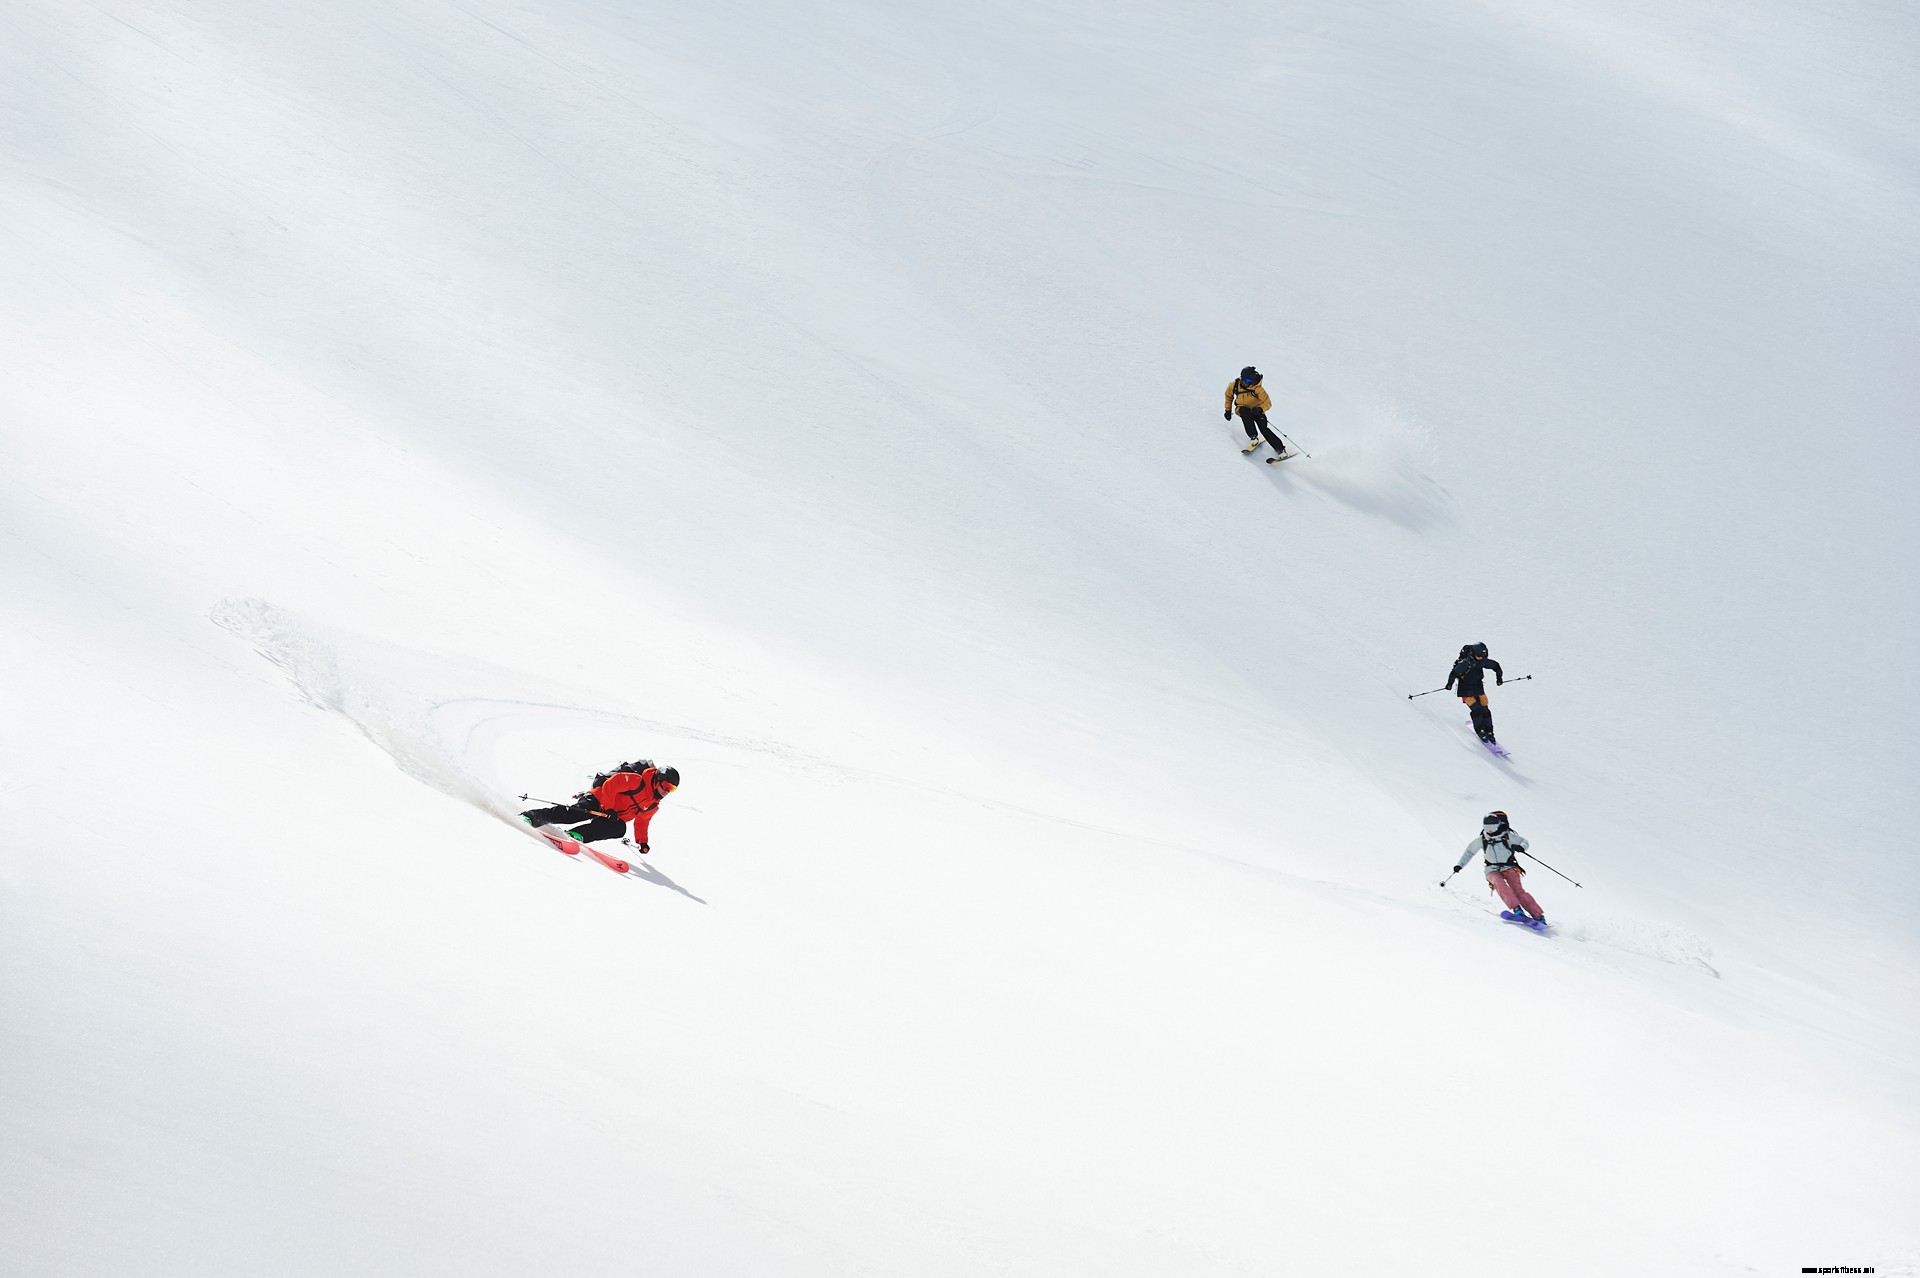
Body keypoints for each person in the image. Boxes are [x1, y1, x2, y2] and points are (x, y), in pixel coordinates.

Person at [521, 759, 680, 853]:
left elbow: (642, 822)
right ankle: (531, 817)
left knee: (620, 829)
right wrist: (608, 806)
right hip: (600, 799)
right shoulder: (637, 781)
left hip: (611, 816)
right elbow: (611, 785)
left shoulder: (653, 806)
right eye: (666, 785)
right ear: (657, 779)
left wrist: (642, 842)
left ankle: (575, 835)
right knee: (575, 814)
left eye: (671, 789)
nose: (667, 791)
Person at [1447, 810, 1545, 924]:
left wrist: (1521, 847)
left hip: (1509, 866)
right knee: (1499, 883)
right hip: (1491, 869)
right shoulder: (1482, 839)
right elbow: (1469, 851)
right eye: (1487, 827)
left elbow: (1524, 842)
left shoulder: (1507, 836)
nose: (1489, 830)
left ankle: (1538, 916)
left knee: (1518, 891)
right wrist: (1460, 865)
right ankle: (1517, 909)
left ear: (1498, 825)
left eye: (1492, 827)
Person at [1223, 366, 1291, 461]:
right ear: (1241, 377)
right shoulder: (1234, 385)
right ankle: (1253, 437)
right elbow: (1228, 396)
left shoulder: (1258, 389)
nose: (1247, 383)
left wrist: (1260, 409)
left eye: (1250, 381)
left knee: (1264, 429)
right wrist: (1228, 410)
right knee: (1244, 412)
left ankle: (1281, 450)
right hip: (1244, 409)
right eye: (1246, 380)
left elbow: (1268, 403)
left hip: (1257, 411)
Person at [1445, 642, 1505, 742]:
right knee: (1476, 709)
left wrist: (1499, 678)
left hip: (1477, 687)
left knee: (1485, 708)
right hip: (1465, 689)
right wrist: (1449, 684)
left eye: (1483, 656)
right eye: (1478, 656)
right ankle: (1480, 731)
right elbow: (1454, 673)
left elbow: (1496, 666)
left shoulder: (1483, 661)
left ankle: (1490, 732)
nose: (1481, 658)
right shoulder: (1466, 663)